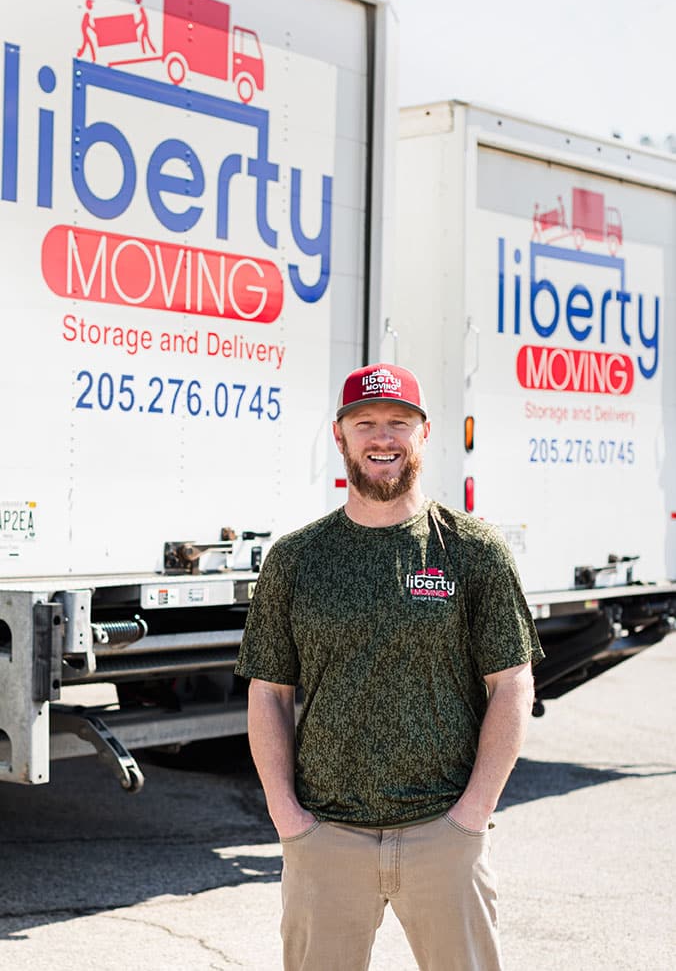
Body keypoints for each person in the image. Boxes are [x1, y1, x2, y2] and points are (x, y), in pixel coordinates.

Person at [235, 362, 544, 971]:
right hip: (326, 836)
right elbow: (268, 692)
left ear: (423, 434)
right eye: (366, 423)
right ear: (340, 436)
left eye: (399, 423)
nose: (383, 438)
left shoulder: (473, 550)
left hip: (443, 833)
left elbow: (511, 683)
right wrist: (288, 819)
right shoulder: (296, 559)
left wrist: (471, 817)